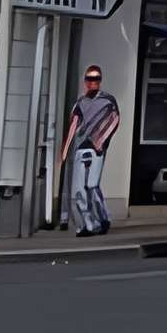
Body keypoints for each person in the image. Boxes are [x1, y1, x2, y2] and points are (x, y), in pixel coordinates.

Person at [58, 65, 120, 235]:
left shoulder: (107, 101)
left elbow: (114, 121)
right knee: (79, 189)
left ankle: (103, 218)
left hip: (96, 149)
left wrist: (100, 142)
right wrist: (65, 151)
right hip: (81, 147)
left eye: (96, 79)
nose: (93, 82)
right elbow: (73, 125)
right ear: (85, 81)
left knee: (92, 185)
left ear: (100, 81)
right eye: (90, 79)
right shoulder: (81, 102)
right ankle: (86, 224)